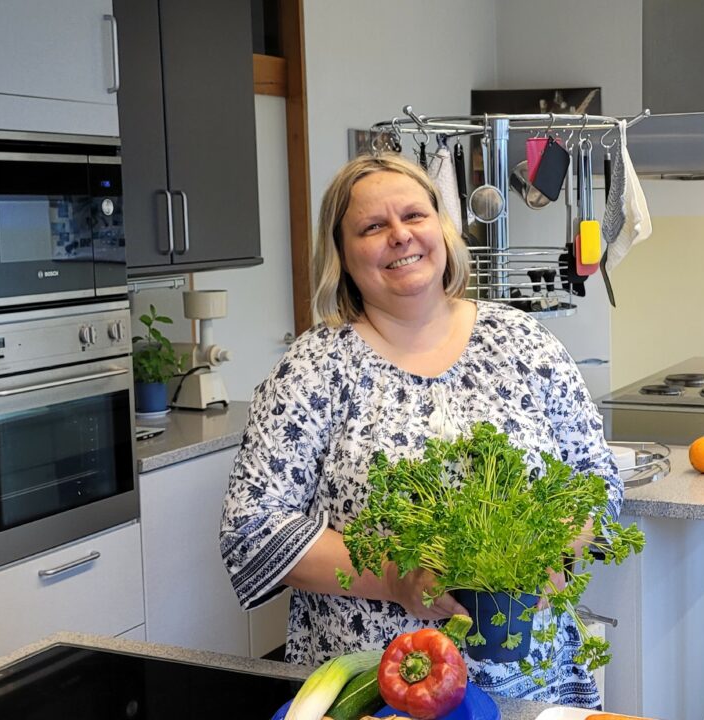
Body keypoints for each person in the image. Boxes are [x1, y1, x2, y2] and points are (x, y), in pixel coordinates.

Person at [220, 153, 623, 707]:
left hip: (534, 686)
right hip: (380, 692)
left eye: (414, 216)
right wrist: (392, 577)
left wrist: (557, 548)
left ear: (442, 228)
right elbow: (252, 531)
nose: (400, 236)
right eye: (372, 226)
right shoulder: (312, 368)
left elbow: (595, 477)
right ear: (341, 253)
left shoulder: (523, 342)